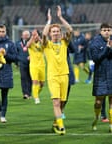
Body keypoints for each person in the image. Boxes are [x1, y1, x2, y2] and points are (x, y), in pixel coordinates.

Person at [42, 6, 73, 135]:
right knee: (56, 102)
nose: (55, 33)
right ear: (50, 34)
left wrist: (60, 17)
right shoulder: (46, 45)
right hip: (53, 76)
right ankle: (61, 127)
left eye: (57, 31)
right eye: (53, 31)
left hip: (64, 75)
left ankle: (55, 123)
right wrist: (49, 21)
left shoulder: (64, 42)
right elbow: (43, 34)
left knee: (63, 102)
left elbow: (70, 29)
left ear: (60, 33)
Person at [90, 23, 112, 133]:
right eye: (104, 30)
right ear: (100, 31)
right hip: (100, 76)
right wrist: (107, 48)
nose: (107, 32)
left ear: (111, 31)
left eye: (109, 30)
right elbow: (96, 58)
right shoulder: (95, 42)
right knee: (98, 102)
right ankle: (97, 118)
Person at [0, 24, 18, 123]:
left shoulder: (10, 43)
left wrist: (6, 54)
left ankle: (3, 115)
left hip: (6, 71)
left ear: (6, 32)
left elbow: (15, 57)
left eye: (3, 31)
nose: (1, 34)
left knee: (4, 95)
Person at [26, 29, 45, 104]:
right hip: (33, 65)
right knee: (35, 81)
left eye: (36, 34)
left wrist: (39, 38)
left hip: (42, 65)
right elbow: (27, 45)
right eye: (34, 35)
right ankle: (36, 98)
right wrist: (32, 37)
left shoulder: (41, 42)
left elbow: (45, 45)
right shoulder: (31, 43)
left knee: (42, 84)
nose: (35, 36)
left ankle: (36, 93)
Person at [15, 30, 32, 99]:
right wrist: (16, 63)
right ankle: (25, 93)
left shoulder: (32, 42)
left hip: (31, 63)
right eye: (24, 35)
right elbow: (15, 53)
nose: (26, 36)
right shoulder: (17, 43)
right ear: (22, 36)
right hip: (22, 63)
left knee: (30, 78)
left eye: (27, 35)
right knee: (23, 78)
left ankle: (29, 93)